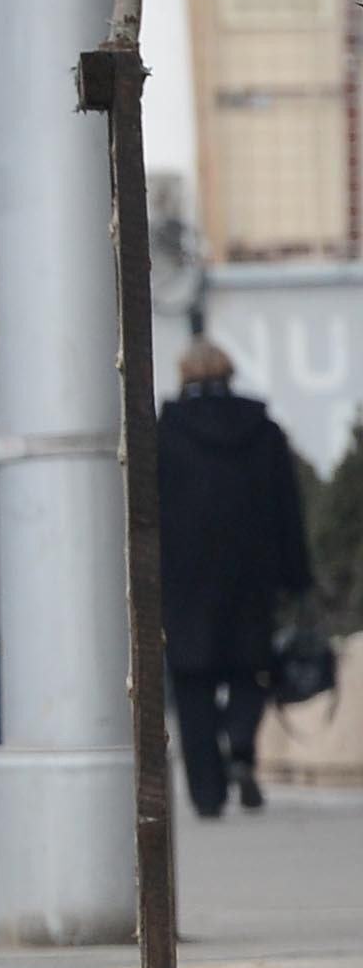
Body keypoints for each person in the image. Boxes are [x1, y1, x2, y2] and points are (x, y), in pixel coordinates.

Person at [156, 339, 319, 818]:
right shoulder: (264, 431)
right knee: (251, 668)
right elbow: (287, 508)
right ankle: (243, 747)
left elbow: (150, 512)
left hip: (184, 579)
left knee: (192, 681)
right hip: (252, 574)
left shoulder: (166, 434)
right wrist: (298, 578)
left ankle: (208, 794)